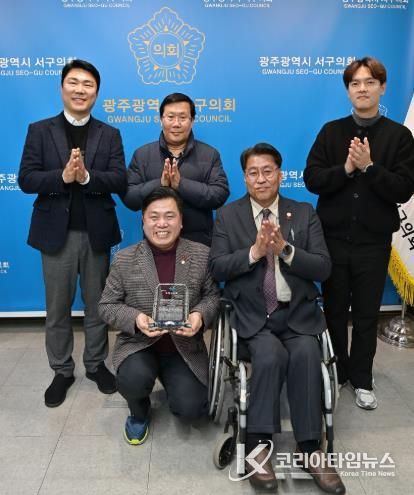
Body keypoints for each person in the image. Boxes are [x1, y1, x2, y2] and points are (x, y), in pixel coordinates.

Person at [210, 143, 345, 494]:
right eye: (253, 173)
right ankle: (258, 446)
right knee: (269, 355)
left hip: (297, 313)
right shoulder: (228, 216)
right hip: (253, 316)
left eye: (267, 171)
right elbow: (218, 267)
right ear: (244, 178)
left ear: (280, 174)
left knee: (306, 354)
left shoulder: (303, 213)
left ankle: (310, 448)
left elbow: (323, 268)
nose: (261, 179)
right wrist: (255, 252)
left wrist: (285, 250)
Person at [304, 57, 414, 410]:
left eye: (369, 82)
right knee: (335, 310)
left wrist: (369, 168)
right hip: (333, 240)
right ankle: (337, 372)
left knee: (367, 313)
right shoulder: (331, 132)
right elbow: (312, 179)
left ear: (382, 87)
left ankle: (362, 379)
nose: (362, 89)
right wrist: (347, 168)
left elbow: (404, 189)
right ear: (348, 90)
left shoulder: (399, 136)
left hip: (373, 243)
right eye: (355, 83)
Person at [18, 59, 127, 408]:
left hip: (96, 233)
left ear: (96, 92)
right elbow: (26, 179)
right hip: (55, 234)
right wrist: (62, 177)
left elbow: (119, 179)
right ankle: (62, 370)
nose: (80, 90)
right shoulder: (39, 130)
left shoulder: (109, 134)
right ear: (62, 87)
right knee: (57, 308)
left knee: (98, 305)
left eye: (88, 84)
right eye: (74, 83)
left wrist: (87, 177)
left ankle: (96, 365)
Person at [98, 187, 220, 445]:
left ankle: (173, 382)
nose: (162, 224)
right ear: (143, 221)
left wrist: (199, 315)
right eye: (154, 217)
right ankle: (138, 412)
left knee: (193, 410)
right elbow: (107, 305)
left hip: (183, 346)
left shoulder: (201, 254)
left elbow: (213, 297)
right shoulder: (124, 259)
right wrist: (136, 319)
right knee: (132, 380)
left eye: (169, 216)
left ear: (181, 220)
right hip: (139, 344)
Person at [121, 92, 230, 246]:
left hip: (198, 244)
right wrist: (160, 184)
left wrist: (181, 184)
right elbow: (129, 197)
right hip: (155, 242)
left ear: (192, 121)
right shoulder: (142, 155)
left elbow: (220, 194)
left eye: (183, 118)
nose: (176, 124)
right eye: (170, 117)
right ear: (161, 120)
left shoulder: (209, 154)